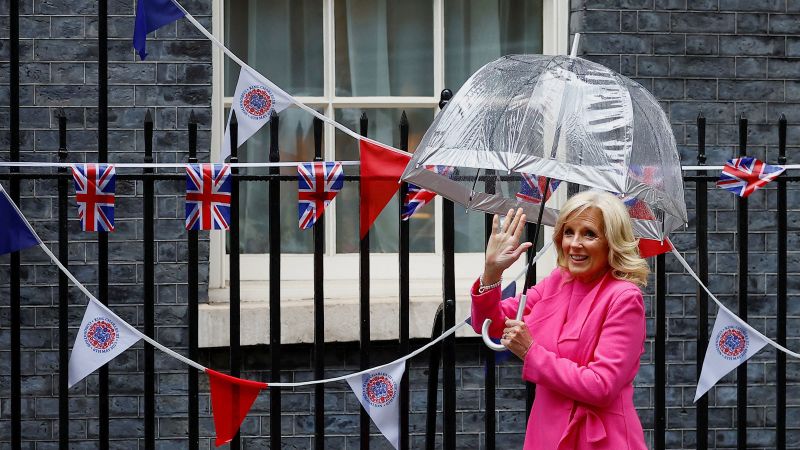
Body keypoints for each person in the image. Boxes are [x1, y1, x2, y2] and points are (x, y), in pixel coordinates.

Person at [471, 190, 649, 450]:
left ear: (611, 241)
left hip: (601, 440)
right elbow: (490, 324)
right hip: (547, 434)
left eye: (589, 234)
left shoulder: (624, 298)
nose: (574, 244)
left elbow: (602, 386)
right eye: (568, 232)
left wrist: (531, 352)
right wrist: (492, 272)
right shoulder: (558, 281)